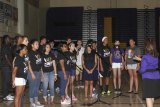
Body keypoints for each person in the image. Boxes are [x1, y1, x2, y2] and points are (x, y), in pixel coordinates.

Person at [135, 38, 160, 107]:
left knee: (148, 97)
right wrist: (141, 59)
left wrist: (138, 70)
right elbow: (151, 62)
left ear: (146, 46)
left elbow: (142, 70)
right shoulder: (156, 55)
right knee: (152, 97)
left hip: (148, 78)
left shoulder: (145, 57)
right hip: (156, 77)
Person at [28, 39, 44, 107]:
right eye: (36, 44)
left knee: (37, 87)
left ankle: (36, 101)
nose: (37, 45)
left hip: (38, 72)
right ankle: (31, 102)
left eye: (38, 44)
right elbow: (28, 64)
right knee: (32, 87)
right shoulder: (29, 53)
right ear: (32, 45)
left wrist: (42, 73)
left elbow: (40, 64)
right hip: (32, 72)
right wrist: (31, 73)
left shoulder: (38, 53)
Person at [1, 35, 14, 101]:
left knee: (7, 81)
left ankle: (7, 94)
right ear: (6, 39)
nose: (10, 40)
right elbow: (6, 57)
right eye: (9, 39)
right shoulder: (4, 47)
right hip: (5, 66)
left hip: (7, 66)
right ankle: (5, 96)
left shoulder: (8, 46)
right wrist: (11, 65)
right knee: (6, 81)